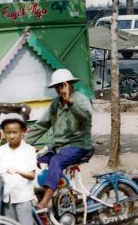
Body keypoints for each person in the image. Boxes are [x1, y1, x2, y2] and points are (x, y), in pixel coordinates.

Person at [25, 69, 93, 210]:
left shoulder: (80, 99)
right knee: (36, 162)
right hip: (59, 146)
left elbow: (86, 116)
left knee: (56, 161)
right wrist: (21, 144)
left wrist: (70, 102)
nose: (60, 89)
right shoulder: (56, 104)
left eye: (62, 85)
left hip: (78, 145)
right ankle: (50, 196)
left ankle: (45, 202)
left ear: (69, 84)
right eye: (57, 86)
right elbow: (42, 125)